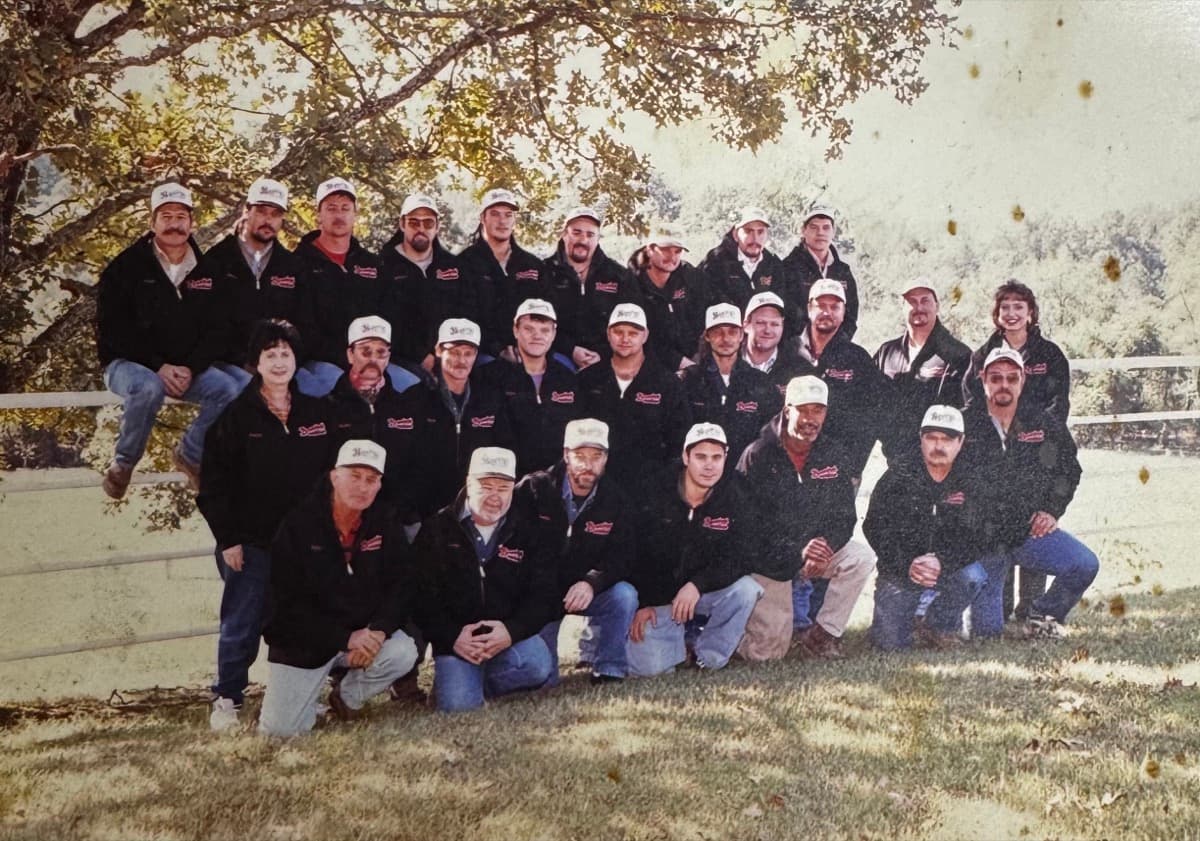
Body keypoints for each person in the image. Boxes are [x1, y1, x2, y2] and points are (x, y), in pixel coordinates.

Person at [197, 319, 336, 730]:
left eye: (286, 354)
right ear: (255, 362)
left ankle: (299, 695)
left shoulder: (315, 412)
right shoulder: (235, 417)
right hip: (251, 542)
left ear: (296, 360)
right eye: (270, 354)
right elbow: (214, 486)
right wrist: (229, 539)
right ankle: (228, 698)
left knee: (300, 622)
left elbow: (331, 478)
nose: (279, 362)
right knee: (242, 621)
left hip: (304, 545)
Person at [258, 439, 419, 737]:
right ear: (334, 476)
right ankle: (297, 699)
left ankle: (346, 698)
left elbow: (403, 583)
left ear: (380, 485)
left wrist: (378, 631)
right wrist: (345, 637)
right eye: (354, 476)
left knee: (402, 652)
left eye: (371, 480)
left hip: (361, 640)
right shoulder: (298, 524)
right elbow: (281, 608)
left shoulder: (385, 520)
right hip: (306, 644)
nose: (362, 487)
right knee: (280, 732)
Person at [96, 182, 241, 497]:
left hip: (185, 368)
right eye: (166, 216)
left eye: (181, 216)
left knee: (229, 389)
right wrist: (158, 366)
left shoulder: (208, 272)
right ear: (152, 223)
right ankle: (123, 464)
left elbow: (219, 330)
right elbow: (113, 330)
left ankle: (191, 453)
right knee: (149, 388)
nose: (174, 224)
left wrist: (190, 367)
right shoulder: (125, 268)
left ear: (192, 223)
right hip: (128, 364)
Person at [961, 349, 1099, 636]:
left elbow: (1068, 470)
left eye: (1012, 378)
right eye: (996, 378)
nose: (1004, 385)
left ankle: (1043, 614)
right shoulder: (964, 423)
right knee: (987, 634)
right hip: (984, 541)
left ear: (1022, 381)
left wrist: (1052, 509)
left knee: (1084, 564)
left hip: (1027, 534)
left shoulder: (1042, 422)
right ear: (982, 378)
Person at [737, 376, 876, 659]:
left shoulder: (833, 453)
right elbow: (748, 526)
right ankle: (733, 633)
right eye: (804, 410)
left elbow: (844, 515)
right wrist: (799, 550)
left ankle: (822, 635)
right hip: (770, 560)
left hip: (816, 552)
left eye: (818, 410)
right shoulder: (759, 454)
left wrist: (824, 545)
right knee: (766, 653)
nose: (811, 419)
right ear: (787, 410)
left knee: (860, 558)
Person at [414, 447, 556, 712]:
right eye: (486, 486)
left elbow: (543, 595)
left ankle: (476, 683)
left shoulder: (529, 529)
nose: (495, 496)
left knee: (538, 665)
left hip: (504, 638)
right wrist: (452, 636)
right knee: (458, 707)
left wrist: (511, 631)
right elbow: (419, 598)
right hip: (457, 642)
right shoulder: (438, 528)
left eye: (503, 488)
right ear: (468, 483)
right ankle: (455, 684)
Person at [962, 281, 1073, 617]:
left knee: (1036, 526)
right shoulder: (982, 355)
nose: (1011, 314)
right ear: (997, 315)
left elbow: (1059, 401)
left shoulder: (1049, 354)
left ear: (1031, 312)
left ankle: (1031, 609)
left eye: (1018, 307)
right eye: (1004, 307)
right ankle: (1001, 606)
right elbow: (970, 399)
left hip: (1038, 450)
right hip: (997, 448)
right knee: (999, 529)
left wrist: (1036, 434)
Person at [626, 423, 763, 675]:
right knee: (650, 670)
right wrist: (643, 602)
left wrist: (697, 584)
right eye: (700, 457)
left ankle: (708, 657)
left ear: (726, 458)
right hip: (660, 594)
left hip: (700, 592)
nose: (709, 465)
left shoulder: (736, 493)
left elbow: (741, 556)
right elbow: (635, 553)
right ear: (685, 456)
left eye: (716, 457)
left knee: (747, 590)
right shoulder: (655, 490)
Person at [864, 405, 1005, 650]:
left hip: (947, 568)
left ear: (961, 442)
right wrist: (908, 562)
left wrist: (942, 561)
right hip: (902, 570)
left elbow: (980, 534)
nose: (939, 446)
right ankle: (897, 620)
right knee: (890, 647)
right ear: (921, 439)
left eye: (947, 439)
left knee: (973, 577)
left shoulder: (972, 480)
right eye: (931, 438)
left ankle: (939, 625)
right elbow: (874, 527)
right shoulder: (898, 475)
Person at [517, 419, 638, 685]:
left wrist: (591, 581)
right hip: (541, 595)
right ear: (565, 455)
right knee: (543, 681)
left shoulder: (616, 499)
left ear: (606, 458)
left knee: (624, 595)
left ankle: (609, 668)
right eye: (579, 456)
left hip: (584, 591)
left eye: (596, 456)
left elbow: (623, 555)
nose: (588, 464)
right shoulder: (534, 489)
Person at [188, 177, 312, 392]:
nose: (268, 220)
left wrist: (284, 358)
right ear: (246, 210)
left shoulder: (292, 265)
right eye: (262, 211)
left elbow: (303, 321)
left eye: (275, 214)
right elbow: (205, 322)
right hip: (229, 363)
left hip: (280, 362)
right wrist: (245, 360)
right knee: (251, 393)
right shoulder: (217, 260)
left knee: (314, 389)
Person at [294, 177, 393, 396]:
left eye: (345, 208)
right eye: (331, 208)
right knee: (341, 390)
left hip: (373, 358)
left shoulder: (372, 264)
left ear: (355, 214)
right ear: (318, 214)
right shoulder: (298, 263)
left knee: (410, 386)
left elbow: (387, 315)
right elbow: (304, 328)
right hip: (320, 361)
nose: (339, 215)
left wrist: (371, 359)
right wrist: (348, 359)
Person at [577, 304, 692, 489]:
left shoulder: (667, 384)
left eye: (633, 333)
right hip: (596, 486)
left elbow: (679, 442)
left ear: (645, 335)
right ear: (608, 333)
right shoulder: (587, 379)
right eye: (618, 332)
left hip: (649, 488)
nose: (625, 339)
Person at [410, 318, 514, 517]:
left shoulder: (489, 399)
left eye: (468, 353)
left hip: (474, 509)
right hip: (424, 510)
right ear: (439, 351)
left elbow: (505, 446)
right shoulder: (416, 398)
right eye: (454, 352)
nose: (462, 360)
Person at [476, 298, 582, 476]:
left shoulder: (567, 378)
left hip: (554, 481)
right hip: (507, 479)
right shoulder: (490, 376)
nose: (537, 336)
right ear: (515, 330)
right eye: (529, 329)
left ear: (554, 334)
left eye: (544, 330)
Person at [873, 278, 972, 467]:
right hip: (896, 462)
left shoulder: (959, 354)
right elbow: (869, 403)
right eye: (911, 301)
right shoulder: (886, 352)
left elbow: (970, 410)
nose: (919, 307)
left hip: (941, 464)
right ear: (902, 307)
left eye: (925, 300)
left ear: (937, 306)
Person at [791, 278, 883, 480]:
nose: (827, 312)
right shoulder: (790, 352)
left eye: (834, 306)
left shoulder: (857, 358)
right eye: (821, 305)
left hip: (837, 472)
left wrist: (854, 467)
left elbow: (874, 416)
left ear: (843, 312)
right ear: (808, 308)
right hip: (790, 469)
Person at [379, 193, 481, 372]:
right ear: (402, 224)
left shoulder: (455, 267)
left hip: (452, 355)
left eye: (428, 223)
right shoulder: (383, 266)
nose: (421, 228)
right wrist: (420, 355)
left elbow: (469, 312)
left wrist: (450, 351)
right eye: (414, 222)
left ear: (437, 226)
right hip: (401, 359)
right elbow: (385, 320)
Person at [457, 188, 556, 361]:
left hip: (531, 350)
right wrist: (498, 349)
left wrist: (528, 348)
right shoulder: (465, 263)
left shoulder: (533, 265)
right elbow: (465, 316)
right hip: (483, 352)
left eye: (508, 214)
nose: (502, 221)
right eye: (495, 214)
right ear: (482, 218)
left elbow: (547, 313)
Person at [543, 206, 642, 368]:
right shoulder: (544, 272)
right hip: (557, 355)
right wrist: (571, 350)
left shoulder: (619, 275)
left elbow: (634, 323)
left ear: (598, 238)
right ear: (564, 234)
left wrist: (604, 354)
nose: (583, 240)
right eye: (576, 233)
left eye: (590, 235)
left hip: (609, 358)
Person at [680, 303, 781, 461]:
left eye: (732, 332)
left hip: (744, 474)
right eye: (717, 332)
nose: (725, 339)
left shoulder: (761, 382)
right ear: (707, 336)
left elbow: (771, 437)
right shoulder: (689, 380)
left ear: (741, 335)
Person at [628, 231, 715, 372]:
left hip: (692, 357)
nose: (672, 257)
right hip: (649, 363)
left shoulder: (690, 277)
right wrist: (678, 362)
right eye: (665, 250)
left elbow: (706, 312)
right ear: (649, 250)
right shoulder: (631, 285)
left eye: (677, 251)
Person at [698, 207, 799, 326]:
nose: (755, 238)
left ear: (767, 235)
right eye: (748, 231)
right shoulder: (716, 261)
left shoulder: (773, 264)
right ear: (735, 235)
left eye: (760, 232)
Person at [782, 205, 860, 339]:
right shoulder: (788, 268)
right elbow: (787, 315)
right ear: (803, 230)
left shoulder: (843, 271)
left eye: (826, 227)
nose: (820, 233)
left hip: (836, 350)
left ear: (833, 232)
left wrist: (837, 345)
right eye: (814, 227)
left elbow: (851, 315)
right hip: (798, 351)